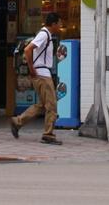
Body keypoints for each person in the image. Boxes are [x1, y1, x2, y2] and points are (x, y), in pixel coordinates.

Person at [9, 12, 64, 146]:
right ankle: (48, 135)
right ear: (54, 24)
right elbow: (28, 49)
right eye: (59, 23)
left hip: (41, 74)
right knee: (51, 105)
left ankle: (18, 121)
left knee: (42, 105)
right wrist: (32, 68)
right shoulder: (44, 34)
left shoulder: (46, 34)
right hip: (42, 75)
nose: (60, 25)